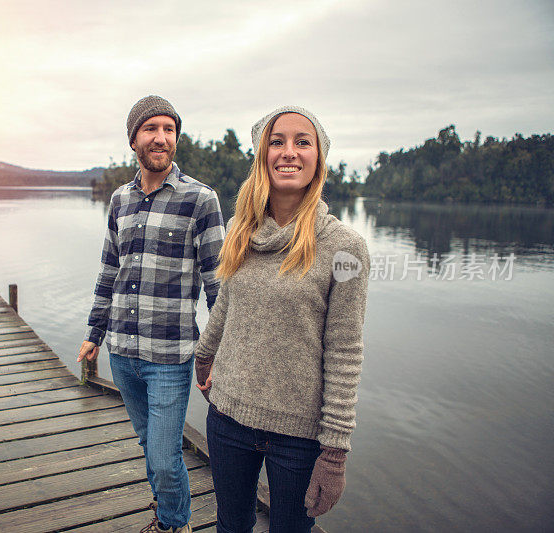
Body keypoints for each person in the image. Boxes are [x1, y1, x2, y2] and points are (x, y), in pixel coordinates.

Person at [194, 106, 369, 532]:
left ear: (318, 159)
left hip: (299, 436)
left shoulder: (346, 249)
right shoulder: (239, 229)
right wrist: (204, 354)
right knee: (230, 525)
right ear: (262, 157)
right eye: (277, 141)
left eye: (302, 142)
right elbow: (226, 304)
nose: (288, 152)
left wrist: (334, 453)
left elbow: (344, 353)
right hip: (228, 417)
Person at [78, 95, 225, 533]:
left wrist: (219, 352)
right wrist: (95, 333)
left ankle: (173, 524)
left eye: (169, 129)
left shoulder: (200, 200)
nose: (161, 138)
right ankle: (165, 509)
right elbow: (109, 272)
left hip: (171, 356)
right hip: (122, 352)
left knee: (163, 456)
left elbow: (218, 284)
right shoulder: (120, 201)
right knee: (150, 444)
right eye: (151, 129)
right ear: (134, 140)